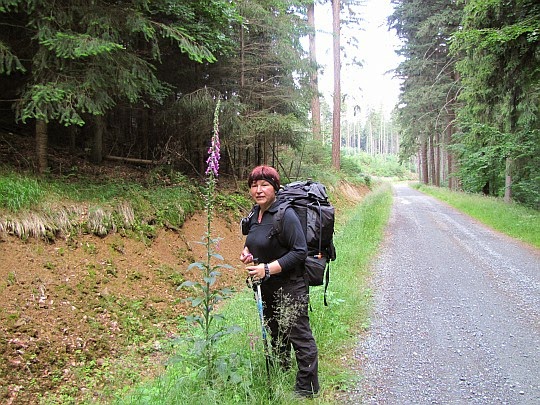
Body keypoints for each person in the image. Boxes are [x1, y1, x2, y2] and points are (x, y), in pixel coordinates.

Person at [239, 165, 319, 398]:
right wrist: (247, 253)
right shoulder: (256, 213)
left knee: (299, 335)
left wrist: (267, 268)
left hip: (290, 285)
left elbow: (299, 251)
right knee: (275, 332)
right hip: (266, 287)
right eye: (254, 185)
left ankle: (307, 389)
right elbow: (254, 241)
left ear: (275, 187)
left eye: (264, 184)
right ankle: (281, 371)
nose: (259, 190)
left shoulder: (286, 214)